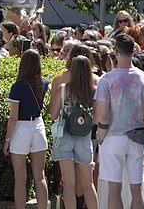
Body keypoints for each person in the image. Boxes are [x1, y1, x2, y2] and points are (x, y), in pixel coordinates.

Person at [94, 34, 144, 209]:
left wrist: (101, 136)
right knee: (137, 190)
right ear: (133, 51)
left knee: (115, 189)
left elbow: (103, 115)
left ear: (116, 52)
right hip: (137, 135)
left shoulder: (106, 80)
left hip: (113, 136)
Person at [49, 55, 98, 209]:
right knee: (88, 184)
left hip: (65, 138)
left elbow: (53, 115)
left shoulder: (64, 89)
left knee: (69, 184)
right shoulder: (94, 92)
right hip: (85, 138)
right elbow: (97, 119)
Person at [3, 49, 49, 209]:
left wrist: (7, 140)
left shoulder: (17, 87)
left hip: (21, 129)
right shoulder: (44, 83)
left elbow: (13, 117)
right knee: (40, 176)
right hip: (38, 126)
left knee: (20, 178)